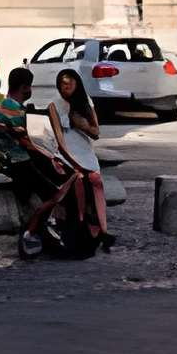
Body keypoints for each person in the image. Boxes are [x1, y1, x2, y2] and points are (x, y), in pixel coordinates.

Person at [0, 68, 69, 257]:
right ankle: (31, 231)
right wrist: (51, 157)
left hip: (5, 163)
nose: (30, 90)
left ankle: (43, 230)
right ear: (23, 87)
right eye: (30, 86)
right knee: (55, 194)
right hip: (20, 164)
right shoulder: (15, 111)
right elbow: (26, 143)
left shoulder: (1, 108)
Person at [48, 67, 113, 249]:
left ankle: (103, 230)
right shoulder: (54, 105)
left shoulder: (85, 102)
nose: (66, 87)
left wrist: (82, 125)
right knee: (79, 184)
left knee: (96, 183)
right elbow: (59, 139)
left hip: (85, 153)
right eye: (62, 83)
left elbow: (96, 132)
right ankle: (80, 228)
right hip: (67, 155)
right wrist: (74, 163)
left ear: (77, 84)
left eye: (69, 83)